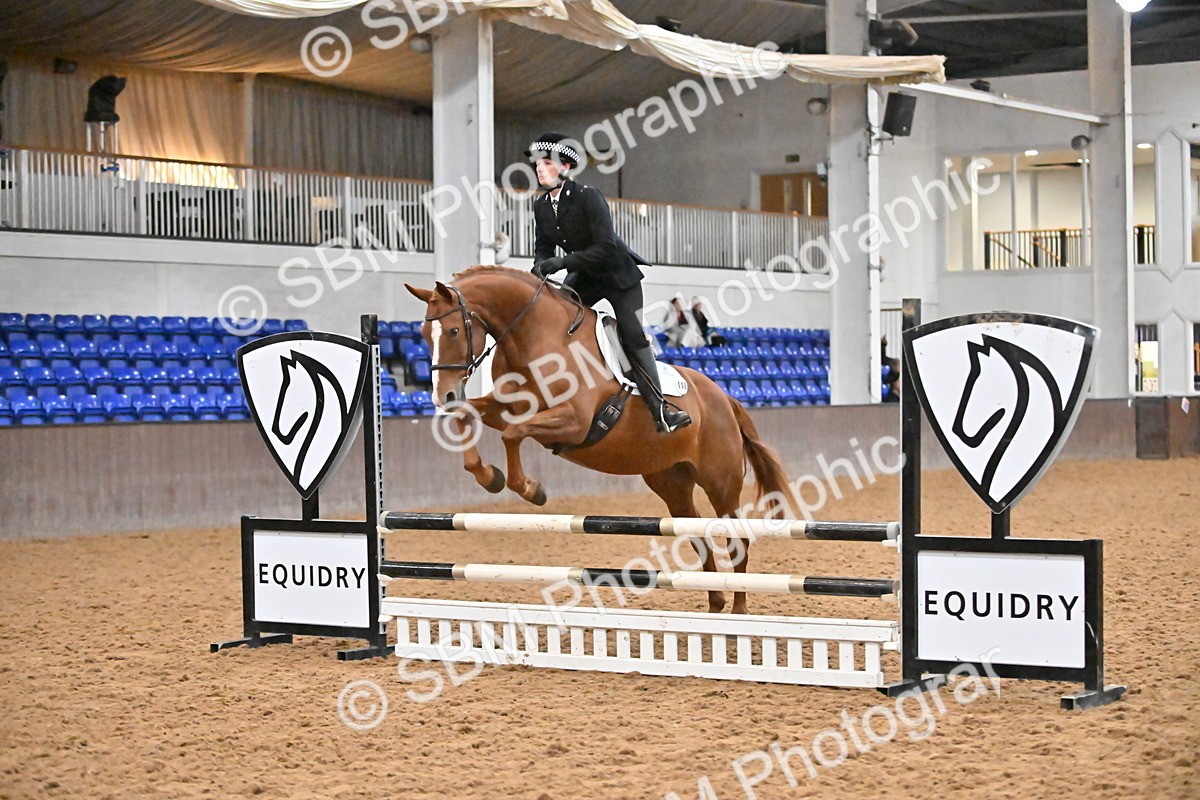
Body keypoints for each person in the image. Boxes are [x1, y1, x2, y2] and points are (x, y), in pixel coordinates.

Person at [525, 132, 691, 434]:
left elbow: (604, 247)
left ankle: (661, 409)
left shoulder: (588, 196)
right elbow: (544, 246)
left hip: (617, 275)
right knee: (557, 321)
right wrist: (540, 263)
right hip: (586, 275)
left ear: (565, 167)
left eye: (546, 163)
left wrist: (562, 263)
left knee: (631, 334)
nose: (539, 168)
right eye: (537, 164)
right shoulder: (540, 205)